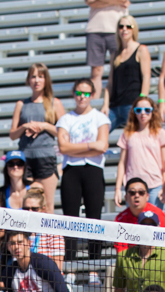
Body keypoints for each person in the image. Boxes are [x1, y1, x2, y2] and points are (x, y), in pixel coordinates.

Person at [57, 77, 111, 260]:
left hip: (93, 169)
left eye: (86, 93)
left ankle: (94, 264)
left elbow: (103, 145)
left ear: (93, 95)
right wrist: (90, 146)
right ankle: (70, 263)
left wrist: (76, 147)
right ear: (74, 94)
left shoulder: (100, 118)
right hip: (72, 170)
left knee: (94, 217)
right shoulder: (66, 119)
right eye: (79, 93)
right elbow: (63, 148)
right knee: (70, 218)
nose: (82, 97)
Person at [10, 63, 66, 212]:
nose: (37, 80)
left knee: (46, 204)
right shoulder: (21, 104)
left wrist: (44, 126)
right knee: (27, 204)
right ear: (28, 80)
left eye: (40, 76)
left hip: (45, 158)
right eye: (33, 76)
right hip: (26, 158)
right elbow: (12, 135)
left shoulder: (54, 103)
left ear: (45, 79)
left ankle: (47, 236)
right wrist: (24, 127)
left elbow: (64, 132)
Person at [116, 97, 165, 208]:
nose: (143, 113)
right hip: (133, 186)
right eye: (138, 110)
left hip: (155, 185)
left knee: (153, 222)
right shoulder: (127, 134)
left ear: (152, 112)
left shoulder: (161, 133)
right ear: (134, 112)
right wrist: (117, 188)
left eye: (147, 110)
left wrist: (164, 188)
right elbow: (122, 163)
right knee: (133, 224)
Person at [106, 15, 151, 131]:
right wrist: (105, 105)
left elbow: (146, 77)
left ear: (134, 29)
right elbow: (110, 82)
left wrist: (142, 101)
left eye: (128, 26)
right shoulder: (115, 54)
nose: (124, 29)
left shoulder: (141, 49)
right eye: (121, 27)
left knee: (135, 136)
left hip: (132, 103)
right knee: (98, 133)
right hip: (114, 105)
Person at [85, 0, 131, 104]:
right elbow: (90, 1)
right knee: (96, 71)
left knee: (119, 67)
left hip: (118, 28)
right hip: (95, 28)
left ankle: (120, 99)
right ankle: (94, 102)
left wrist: (100, 2)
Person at [20, 186, 66, 268]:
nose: (29, 212)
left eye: (34, 209)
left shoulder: (54, 234)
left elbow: (57, 268)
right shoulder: (19, 234)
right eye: (26, 209)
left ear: (43, 209)